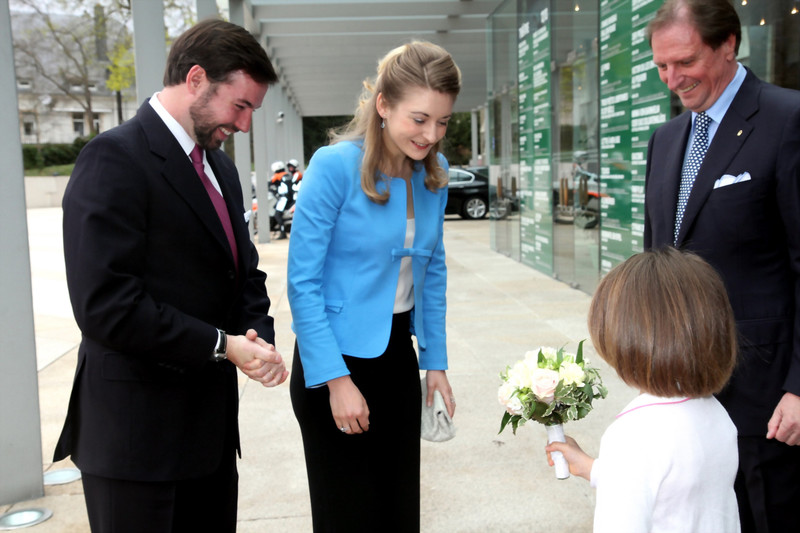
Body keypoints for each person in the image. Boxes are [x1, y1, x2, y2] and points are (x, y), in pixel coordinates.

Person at [53, 19, 288, 533]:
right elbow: (106, 306)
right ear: (197, 79)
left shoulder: (220, 169)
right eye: (241, 105)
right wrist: (224, 346)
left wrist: (256, 336)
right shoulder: (113, 158)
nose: (245, 124)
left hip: (208, 440)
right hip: (135, 446)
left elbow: (243, 271)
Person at [287, 41, 460, 532]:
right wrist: (335, 381)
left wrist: (435, 362)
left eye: (443, 122)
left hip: (396, 362)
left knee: (398, 512)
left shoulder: (435, 175)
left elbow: (433, 273)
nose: (431, 134)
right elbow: (302, 283)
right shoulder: (333, 166)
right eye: (419, 118)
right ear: (383, 105)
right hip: (335, 364)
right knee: (349, 515)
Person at [642, 1, 800, 530]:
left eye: (684, 61)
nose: (672, 79)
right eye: (661, 66)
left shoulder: (787, 118)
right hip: (685, 386)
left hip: (767, 396)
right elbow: (656, 261)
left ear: (728, 44)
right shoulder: (665, 140)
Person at [546, 247, 740, 532]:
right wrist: (596, 469)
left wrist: (614, 469)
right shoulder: (714, 412)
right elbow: (678, 488)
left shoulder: (632, 435)